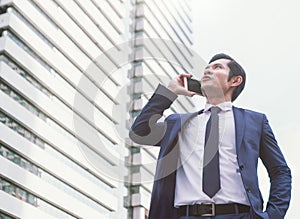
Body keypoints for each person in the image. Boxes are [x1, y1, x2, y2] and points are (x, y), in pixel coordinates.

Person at [129, 53, 291, 219]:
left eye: (217, 67)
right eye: (206, 68)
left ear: (235, 80)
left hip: (239, 215)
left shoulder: (255, 121)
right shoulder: (179, 123)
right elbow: (140, 132)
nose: (207, 71)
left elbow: (280, 171)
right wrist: (169, 92)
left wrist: (272, 216)